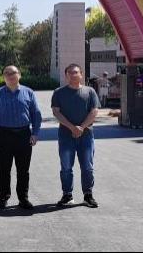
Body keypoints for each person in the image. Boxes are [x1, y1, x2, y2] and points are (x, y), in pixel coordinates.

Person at [0, 66, 42, 210]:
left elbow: (36, 113)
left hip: (24, 135)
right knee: (4, 169)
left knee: (23, 170)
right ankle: (3, 197)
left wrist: (35, 133)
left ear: (19, 75)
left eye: (13, 73)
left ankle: (23, 198)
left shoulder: (28, 92)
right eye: (7, 73)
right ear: (3, 77)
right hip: (4, 135)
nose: (10, 75)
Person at [52, 64, 100, 209]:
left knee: (87, 167)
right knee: (66, 167)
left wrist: (82, 127)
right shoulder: (59, 92)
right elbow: (56, 112)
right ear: (66, 75)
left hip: (86, 136)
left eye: (76, 72)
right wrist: (72, 127)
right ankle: (67, 195)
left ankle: (88, 195)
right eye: (70, 73)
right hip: (66, 136)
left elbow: (94, 111)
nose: (73, 75)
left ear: (81, 74)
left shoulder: (89, 91)